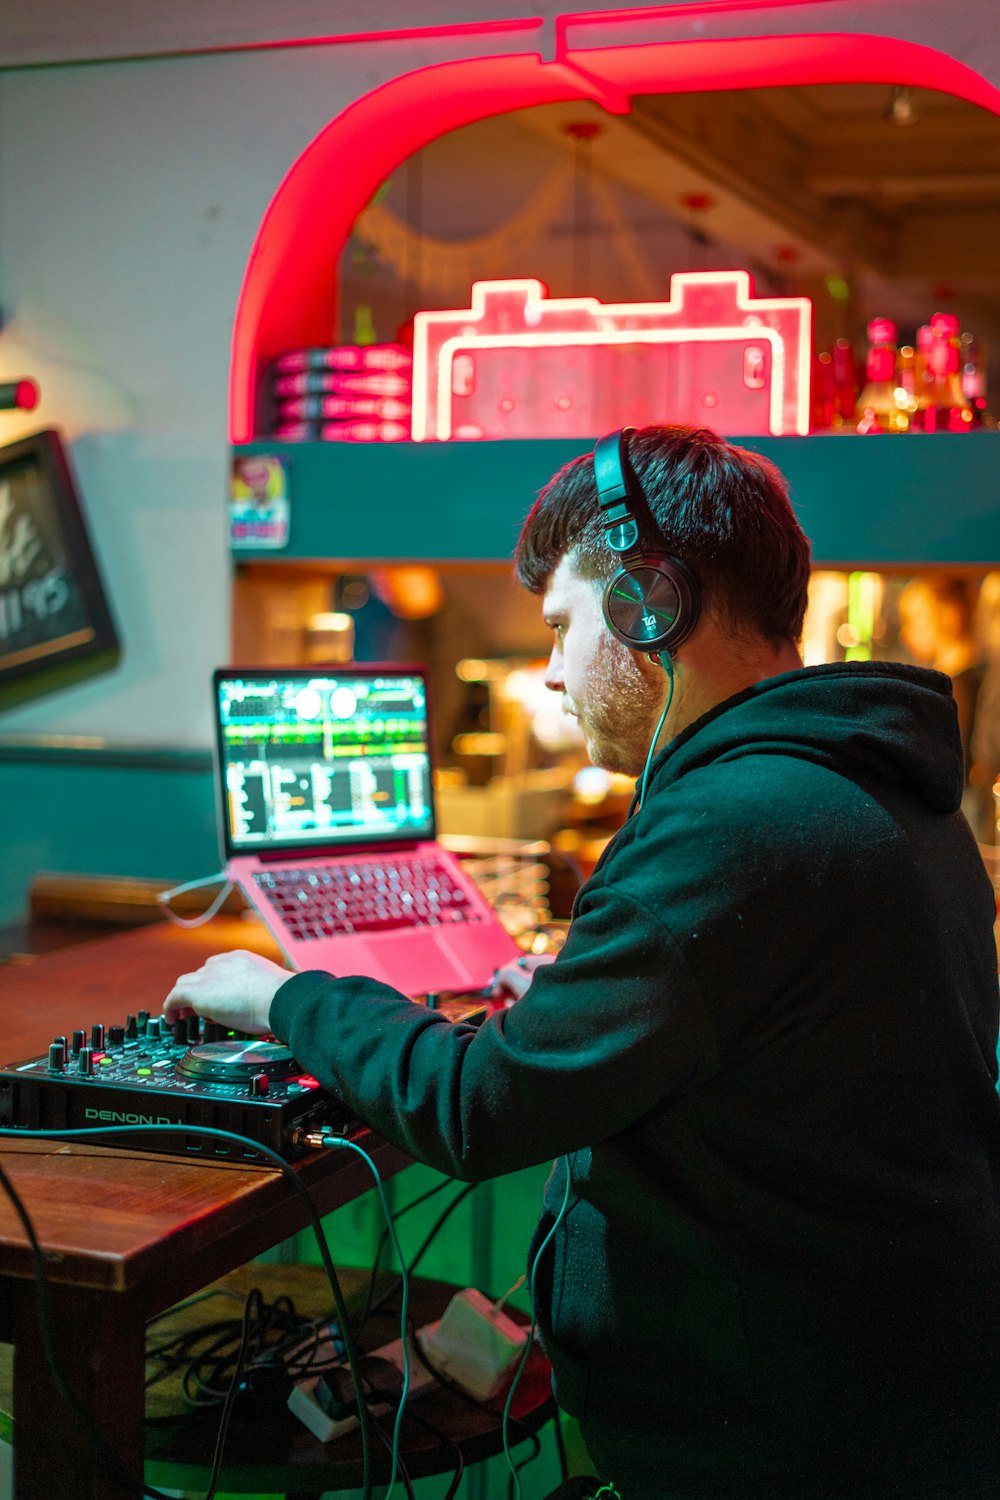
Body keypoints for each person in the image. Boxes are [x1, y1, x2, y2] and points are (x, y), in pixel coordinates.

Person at [165, 425, 1000, 1500]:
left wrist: (283, 994)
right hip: (873, 1395)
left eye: (561, 625)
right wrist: (580, 1008)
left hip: (773, 1440)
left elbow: (481, 1108)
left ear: (652, 605)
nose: (551, 670)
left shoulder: (735, 825)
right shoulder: (872, 786)